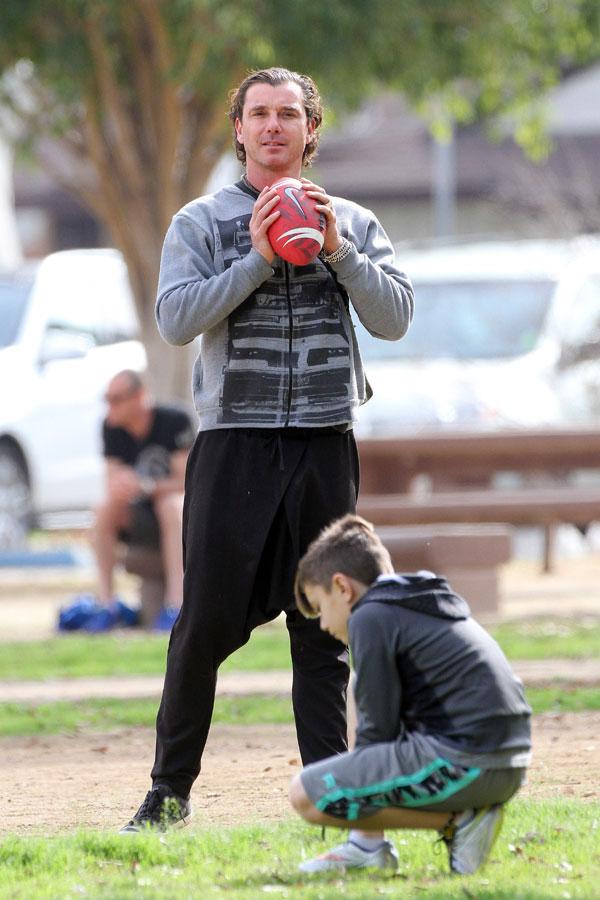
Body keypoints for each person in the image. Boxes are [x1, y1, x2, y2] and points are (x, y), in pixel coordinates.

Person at [120, 66, 414, 831]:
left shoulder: (350, 219)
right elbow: (177, 321)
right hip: (235, 446)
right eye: (260, 114)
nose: (275, 126)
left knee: (323, 630)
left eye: (289, 114)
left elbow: (396, 318)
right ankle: (168, 794)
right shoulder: (199, 222)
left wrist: (339, 253)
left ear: (310, 131)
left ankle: (332, 796)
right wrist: (254, 260)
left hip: (324, 441)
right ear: (240, 130)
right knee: (203, 629)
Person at [289, 514, 532, 876]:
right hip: (509, 762)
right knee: (359, 687)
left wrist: (355, 783)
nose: (323, 624)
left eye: (320, 607)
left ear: (342, 587)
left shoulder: (369, 617)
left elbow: (377, 732)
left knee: (307, 795)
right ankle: (369, 845)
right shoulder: (414, 602)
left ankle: (457, 822)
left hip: (469, 763)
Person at [92, 369, 195, 626]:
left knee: (169, 505)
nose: (110, 407)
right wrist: (123, 484)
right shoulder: (112, 428)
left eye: (116, 399)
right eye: (107, 399)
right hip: (141, 527)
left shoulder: (174, 421)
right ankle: (107, 604)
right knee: (104, 508)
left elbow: (188, 481)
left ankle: (176, 603)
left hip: (179, 526)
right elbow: (111, 480)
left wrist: (146, 486)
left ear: (139, 396)